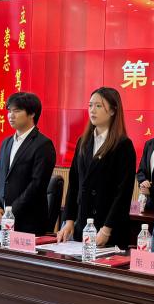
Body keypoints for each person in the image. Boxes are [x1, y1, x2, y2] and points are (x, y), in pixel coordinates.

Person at [57, 87, 136, 248]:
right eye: (90, 105)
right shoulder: (83, 142)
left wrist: (106, 229)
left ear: (113, 111)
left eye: (99, 106)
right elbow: (74, 184)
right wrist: (69, 220)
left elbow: (123, 193)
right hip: (83, 224)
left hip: (108, 229)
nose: (92, 110)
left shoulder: (123, 145)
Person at [0, 92, 57, 234]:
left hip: (28, 224)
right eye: (9, 111)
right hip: (2, 222)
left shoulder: (43, 144)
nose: (11, 115)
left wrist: (12, 211)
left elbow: (37, 185)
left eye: (17, 111)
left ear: (32, 114)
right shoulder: (6, 143)